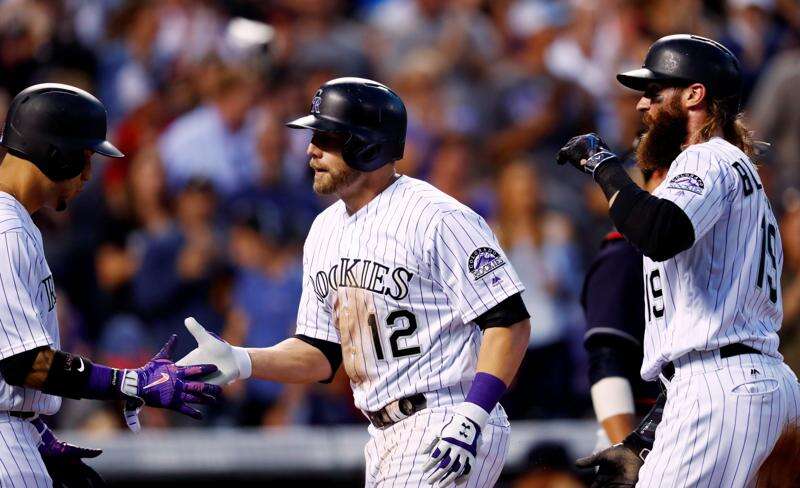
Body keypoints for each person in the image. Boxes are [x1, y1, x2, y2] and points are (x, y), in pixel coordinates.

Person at [178, 77, 532, 487]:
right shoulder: (324, 229)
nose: (310, 150)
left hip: (447, 416)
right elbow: (321, 352)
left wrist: (473, 415)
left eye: (326, 138)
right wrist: (243, 360)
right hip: (382, 434)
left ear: (368, 145)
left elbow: (509, 320)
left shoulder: (437, 218)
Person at [557, 34, 800, 487]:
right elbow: (691, 336)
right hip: (741, 382)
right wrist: (641, 441)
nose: (641, 106)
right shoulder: (735, 172)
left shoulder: (706, 157)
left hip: (724, 387)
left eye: (654, 91)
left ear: (694, 94)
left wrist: (603, 165)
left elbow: (658, 232)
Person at [0, 83, 221, 486]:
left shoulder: (18, 222)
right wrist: (128, 382)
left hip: (16, 432)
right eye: (85, 156)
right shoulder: (7, 229)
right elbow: (25, 363)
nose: (89, 174)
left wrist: (37, 431)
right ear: (55, 152)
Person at [581, 167, 665, 447]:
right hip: (641, 435)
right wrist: (625, 449)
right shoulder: (622, 255)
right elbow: (607, 358)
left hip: (682, 428)